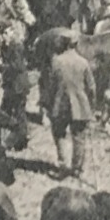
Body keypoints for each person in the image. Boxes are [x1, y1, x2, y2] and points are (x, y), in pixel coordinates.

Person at [43, 33, 96, 176]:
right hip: (80, 105)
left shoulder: (56, 61)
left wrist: (47, 105)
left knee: (59, 134)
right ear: (76, 44)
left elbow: (50, 86)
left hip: (60, 104)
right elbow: (91, 87)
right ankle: (77, 168)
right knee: (79, 137)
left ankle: (63, 165)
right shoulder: (83, 62)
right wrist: (92, 105)